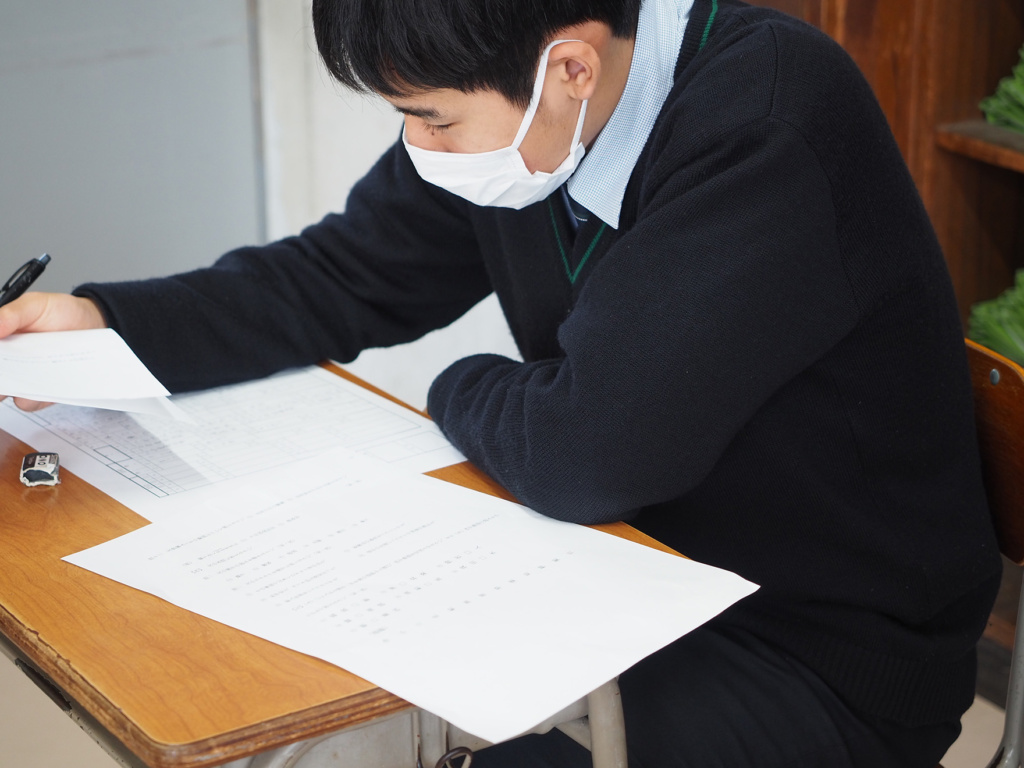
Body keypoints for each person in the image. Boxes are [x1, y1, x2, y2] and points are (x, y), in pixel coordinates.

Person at [0, 0, 1002, 765]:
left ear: (570, 67)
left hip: (810, 655)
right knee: (284, 708)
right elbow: (342, 274)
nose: (417, 147)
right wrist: (109, 322)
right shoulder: (531, 110)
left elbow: (584, 451)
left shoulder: (765, 119)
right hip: (621, 573)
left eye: (430, 119)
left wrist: (456, 382)